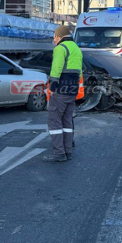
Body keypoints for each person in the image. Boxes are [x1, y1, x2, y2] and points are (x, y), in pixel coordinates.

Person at [43, 25, 83, 163]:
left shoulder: (61, 48)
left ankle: (59, 153)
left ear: (59, 36)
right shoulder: (76, 49)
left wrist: (52, 86)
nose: (54, 39)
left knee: (54, 120)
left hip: (60, 89)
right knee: (67, 120)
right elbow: (79, 72)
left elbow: (57, 68)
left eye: (54, 36)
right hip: (72, 89)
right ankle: (67, 151)